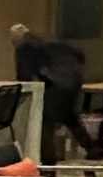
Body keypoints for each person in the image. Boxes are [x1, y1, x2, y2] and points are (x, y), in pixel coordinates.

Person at [11, 22, 98, 162]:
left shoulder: (23, 45)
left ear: (15, 37)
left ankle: (48, 162)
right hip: (74, 78)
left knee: (46, 121)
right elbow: (78, 53)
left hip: (58, 82)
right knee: (69, 116)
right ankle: (92, 149)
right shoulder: (45, 39)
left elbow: (23, 74)